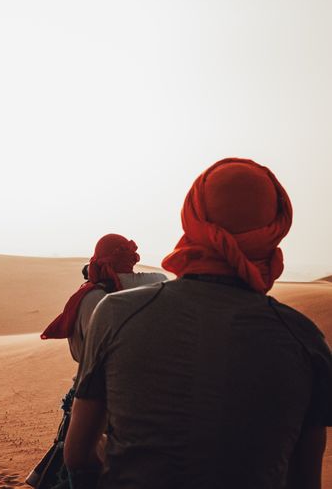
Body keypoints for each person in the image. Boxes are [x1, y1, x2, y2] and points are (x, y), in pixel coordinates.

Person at [64, 158, 332, 489]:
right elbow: (305, 480)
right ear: (274, 230)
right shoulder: (306, 340)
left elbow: (77, 455)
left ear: (193, 219)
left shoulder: (115, 313)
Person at [27, 235, 167, 488]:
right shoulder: (113, 297)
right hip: (109, 394)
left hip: (94, 391)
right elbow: (160, 279)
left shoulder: (93, 296)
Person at [41, 233, 167, 363]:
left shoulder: (86, 295)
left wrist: (94, 269)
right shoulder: (153, 283)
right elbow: (161, 278)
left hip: (94, 373)